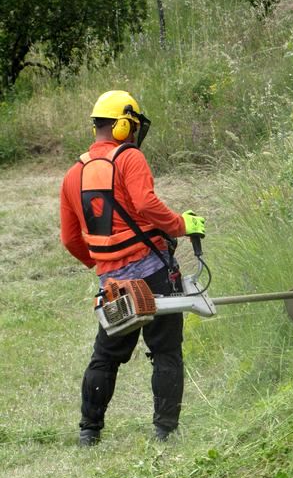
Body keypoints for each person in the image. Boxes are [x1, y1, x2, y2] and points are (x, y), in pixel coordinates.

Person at [60, 90, 205, 446]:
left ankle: (89, 432)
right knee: (166, 351)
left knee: (106, 356)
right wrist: (181, 225)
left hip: (113, 282)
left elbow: (69, 239)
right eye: (134, 126)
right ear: (125, 125)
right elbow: (146, 203)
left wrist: (103, 264)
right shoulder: (130, 159)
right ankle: (164, 431)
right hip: (154, 270)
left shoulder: (72, 175)